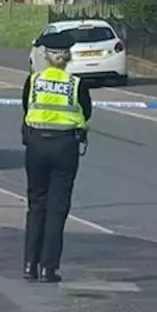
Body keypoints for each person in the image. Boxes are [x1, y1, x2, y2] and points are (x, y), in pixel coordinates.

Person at [20, 30, 91, 284]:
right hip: (65, 146)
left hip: (37, 145)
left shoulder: (34, 80)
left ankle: (29, 264)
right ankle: (48, 268)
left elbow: (27, 108)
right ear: (67, 57)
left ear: (47, 57)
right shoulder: (76, 84)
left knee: (36, 205)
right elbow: (87, 112)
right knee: (57, 208)